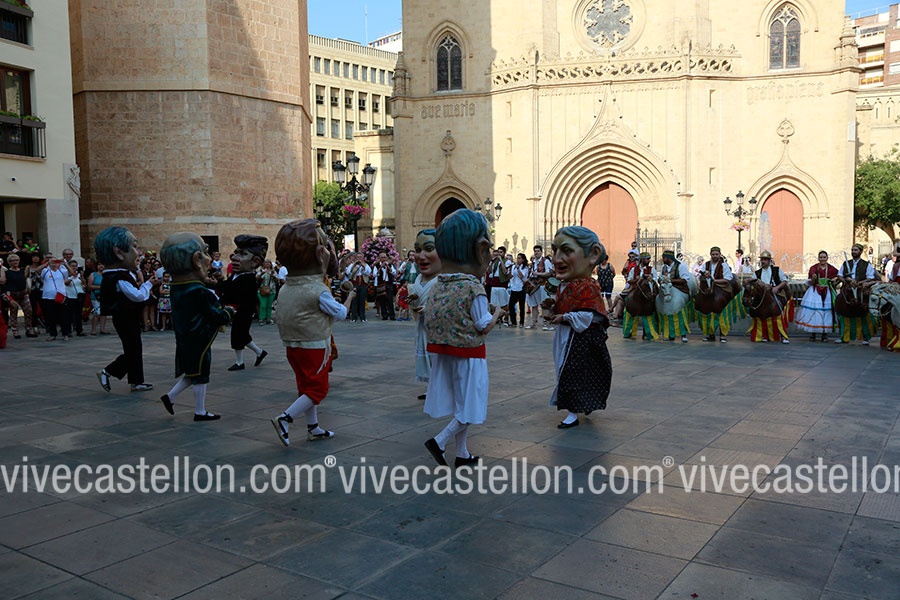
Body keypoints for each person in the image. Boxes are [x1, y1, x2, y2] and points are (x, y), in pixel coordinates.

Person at [423, 210, 505, 468]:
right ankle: (439, 441)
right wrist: (498, 313)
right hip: (470, 354)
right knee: (471, 405)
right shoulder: (473, 287)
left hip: (445, 351)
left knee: (461, 403)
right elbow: (483, 325)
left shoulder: (439, 284)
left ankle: (463, 453)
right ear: (481, 250)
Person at [270, 219, 355, 446]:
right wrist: (349, 297)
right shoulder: (318, 290)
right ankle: (285, 418)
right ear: (319, 254)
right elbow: (340, 314)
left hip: (292, 345)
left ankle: (313, 427)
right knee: (318, 388)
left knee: (305, 387)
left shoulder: (286, 288)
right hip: (314, 346)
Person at [158, 233, 234, 421]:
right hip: (198, 337)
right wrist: (228, 313)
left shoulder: (178, 287)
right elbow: (216, 315)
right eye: (206, 253)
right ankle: (199, 411)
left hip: (185, 336)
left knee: (193, 370)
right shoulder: (198, 291)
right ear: (196, 260)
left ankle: (171, 397)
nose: (210, 260)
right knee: (201, 372)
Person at [544, 226, 611, 429]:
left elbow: (589, 315)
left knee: (571, 373)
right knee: (568, 372)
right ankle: (582, 404)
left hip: (581, 339)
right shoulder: (566, 284)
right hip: (567, 336)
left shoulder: (587, 286)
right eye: (555, 251)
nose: (557, 259)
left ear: (593, 255)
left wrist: (565, 317)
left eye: (566, 251)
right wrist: (552, 307)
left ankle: (572, 412)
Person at [95, 226, 155, 392]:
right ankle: (108, 371)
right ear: (119, 253)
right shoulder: (119, 276)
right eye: (134, 247)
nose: (138, 253)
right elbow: (137, 296)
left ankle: (136, 381)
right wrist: (149, 284)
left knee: (133, 348)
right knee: (133, 349)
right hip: (125, 317)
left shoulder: (114, 274)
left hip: (125, 316)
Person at [219, 235, 268, 369]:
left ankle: (240, 362)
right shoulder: (237, 275)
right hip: (238, 310)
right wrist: (215, 283)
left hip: (244, 311)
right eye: (236, 253)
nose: (234, 257)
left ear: (255, 261)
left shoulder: (249, 278)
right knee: (242, 334)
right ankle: (259, 352)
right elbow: (227, 287)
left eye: (243, 254)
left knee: (238, 334)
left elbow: (239, 293)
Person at [408, 228, 442, 400]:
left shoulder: (445, 280)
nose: (421, 256)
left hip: (439, 330)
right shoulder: (418, 279)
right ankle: (431, 388)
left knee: (438, 358)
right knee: (426, 357)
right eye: (417, 249)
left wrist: (431, 309)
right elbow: (418, 298)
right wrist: (413, 299)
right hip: (422, 326)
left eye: (429, 249)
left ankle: (441, 389)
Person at [834, 242, 878, 344]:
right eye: (852, 250)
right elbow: (840, 276)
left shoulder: (866, 264)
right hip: (847, 289)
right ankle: (844, 337)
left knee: (863, 311)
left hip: (860, 289)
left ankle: (865, 337)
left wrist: (858, 283)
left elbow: (870, 277)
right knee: (843, 309)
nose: (853, 252)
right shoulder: (846, 263)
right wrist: (847, 280)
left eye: (855, 250)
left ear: (861, 252)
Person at [747, 250, 793, 343]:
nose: (763, 261)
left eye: (765, 260)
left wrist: (776, 287)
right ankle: (763, 333)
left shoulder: (777, 270)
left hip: (775, 292)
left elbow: (784, 281)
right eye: (762, 259)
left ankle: (783, 335)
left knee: (779, 309)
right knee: (754, 307)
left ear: (769, 261)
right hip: (762, 295)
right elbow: (753, 282)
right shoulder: (757, 273)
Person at [795, 251, 838, 342]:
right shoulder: (813, 268)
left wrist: (834, 280)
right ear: (818, 258)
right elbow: (810, 282)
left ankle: (824, 334)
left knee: (827, 312)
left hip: (827, 291)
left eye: (824, 257)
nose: (822, 259)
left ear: (827, 258)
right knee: (814, 311)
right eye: (821, 257)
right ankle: (813, 333)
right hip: (815, 291)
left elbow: (838, 278)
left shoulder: (831, 269)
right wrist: (813, 279)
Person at [697, 246, 736, 343]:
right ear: (710, 255)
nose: (715, 256)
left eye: (716, 254)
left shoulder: (724, 265)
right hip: (708, 289)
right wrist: (704, 275)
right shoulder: (706, 264)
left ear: (720, 255)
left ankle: (722, 335)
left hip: (720, 288)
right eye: (713, 254)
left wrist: (714, 280)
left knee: (722, 313)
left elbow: (727, 279)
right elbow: (700, 277)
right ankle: (710, 334)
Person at [657, 249, 695, 343]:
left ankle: (683, 334)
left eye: (664, 258)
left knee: (679, 311)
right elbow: (661, 278)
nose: (662, 259)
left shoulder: (681, 266)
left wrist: (671, 280)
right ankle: (669, 334)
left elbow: (685, 279)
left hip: (680, 289)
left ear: (668, 258)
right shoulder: (664, 267)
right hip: (667, 290)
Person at [622, 251, 658, 340]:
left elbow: (655, 279)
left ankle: (648, 332)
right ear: (642, 259)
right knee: (628, 302)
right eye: (647, 259)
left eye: (649, 259)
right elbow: (629, 279)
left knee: (651, 308)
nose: (649, 260)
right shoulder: (634, 269)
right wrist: (637, 280)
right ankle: (628, 331)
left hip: (648, 292)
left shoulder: (652, 269)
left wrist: (651, 279)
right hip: (636, 291)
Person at [1, 253, 35, 338]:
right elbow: (3, 282)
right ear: (9, 262)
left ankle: (29, 329)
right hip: (12, 294)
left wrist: (27, 288)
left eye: (16, 260)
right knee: (13, 312)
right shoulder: (7, 272)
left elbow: (25, 279)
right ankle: (15, 331)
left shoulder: (22, 270)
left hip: (23, 293)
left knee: (28, 310)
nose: (15, 262)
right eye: (13, 261)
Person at [526, 245, 554, 330]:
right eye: (535, 251)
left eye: (538, 251)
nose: (536, 252)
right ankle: (533, 323)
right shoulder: (533, 262)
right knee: (534, 305)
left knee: (544, 305)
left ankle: (546, 323)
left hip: (542, 285)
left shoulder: (545, 261)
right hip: (533, 286)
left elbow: (549, 273)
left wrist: (537, 273)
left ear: (541, 252)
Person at [486, 246, 511, 327]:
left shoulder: (507, 262)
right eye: (498, 252)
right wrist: (491, 262)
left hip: (502, 284)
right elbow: (489, 271)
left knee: (504, 304)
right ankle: (496, 318)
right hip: (494, 284)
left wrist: (500, 260)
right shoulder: (494, 262)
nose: (499, 254)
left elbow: (505, 271)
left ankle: (506, 319)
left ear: (504, 253)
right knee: (494, 304)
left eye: (501, 252)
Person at [345, 253, 371, 322]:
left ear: (363, 258)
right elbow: (348, 273)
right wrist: (354, 266)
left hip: (363, 285)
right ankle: (354, 317)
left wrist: (363, 266)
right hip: (355, 285)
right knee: (354, 301)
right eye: (358, 257)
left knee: (362, 301)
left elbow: (368, 272)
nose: (359, 259)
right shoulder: (352, 265)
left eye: (360, 257)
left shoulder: (366, 265)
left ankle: (363, 317)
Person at [64, 260, 87, 336]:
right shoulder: (66, 274)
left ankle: (79, 330)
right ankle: (68, 331)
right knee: (69, 315)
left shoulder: (79, 274)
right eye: (72, 266)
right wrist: (72, 276)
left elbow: (84, 283)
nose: (74, 267)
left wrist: (82, 276)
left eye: (75, 266)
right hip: (70, 296)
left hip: (79, 296)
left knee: (78, 314)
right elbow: (66, 283)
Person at [373, 252, 397, 320]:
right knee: (382, 300)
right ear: (379, 258)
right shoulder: (376, 265)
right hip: (381, 284)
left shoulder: (390, 265)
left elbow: (394, 273)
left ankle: (392, 315)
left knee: (390, 300)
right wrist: (380, 267)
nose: (383, 259)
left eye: (385, 257)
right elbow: (374, 274)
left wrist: (388, 266)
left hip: (388, 284)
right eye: (382, 257)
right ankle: (384, 315)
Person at [87, 262, 109, 335]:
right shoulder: (93, 274)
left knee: (104, 313)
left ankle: (102, 329)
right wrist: (101, 287)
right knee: (97, 312)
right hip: (95, 296)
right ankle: (93, 329)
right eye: (99, 264)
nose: (101, 266)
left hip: (105, 296)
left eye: (102, 264)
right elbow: (89, 286)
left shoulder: (106, 275)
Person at [508, 253, 529, 328]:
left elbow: (522, 276)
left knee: (521, 306)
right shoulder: (513, 266)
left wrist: (518, 268)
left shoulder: (525, 268)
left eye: (519, 258)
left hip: (521, 288)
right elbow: (511, 276)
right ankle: (513, 322)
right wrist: (509, 269)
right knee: (511, 305)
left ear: (523, 259)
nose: (518, 260)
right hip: (514, 288)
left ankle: (521, 322)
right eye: (517, 258)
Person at [256, 259, 277, 325]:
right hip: (261, 290)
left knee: (269, 305)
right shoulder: (260, 270)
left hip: (272, 290)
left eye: (269, 262)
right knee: (263, 305)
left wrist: (273, 276)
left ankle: (268, 318)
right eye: (266, 262)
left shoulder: (273, 271)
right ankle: (261, 319)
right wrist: (261, 273)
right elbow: (256, 278)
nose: (267, 264)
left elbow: (277, 280)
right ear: (263, 264)